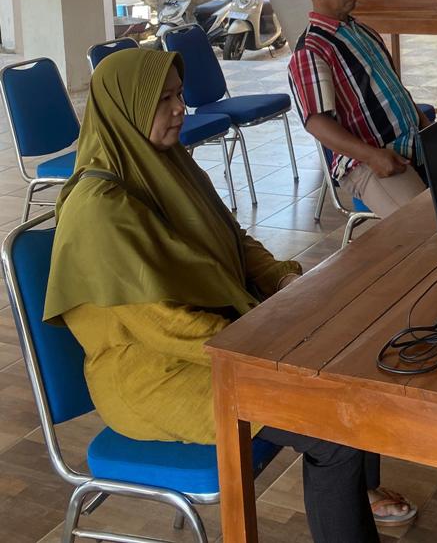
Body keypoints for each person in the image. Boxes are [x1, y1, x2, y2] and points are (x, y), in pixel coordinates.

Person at [43, 48, 416, 539]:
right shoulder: (98, 210)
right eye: (164, 100)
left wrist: (282, 280)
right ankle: (347, 487)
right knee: (332, 432)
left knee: (345, 356)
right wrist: (262, 339)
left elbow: (234, 240)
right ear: (126, 109)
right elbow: (163, 325)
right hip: (154, 375)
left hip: (213, 343)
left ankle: (355, 491)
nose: (180, 109)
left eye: (179, 95)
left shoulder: (167, 164)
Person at [289, 0, 429, 218]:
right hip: (368, 160)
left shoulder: (363, 32)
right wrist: (372, 156)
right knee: (424, 226)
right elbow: (316, 122)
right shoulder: (311, 49)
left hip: (410, 144)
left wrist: (429, 129)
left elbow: (397, 91)